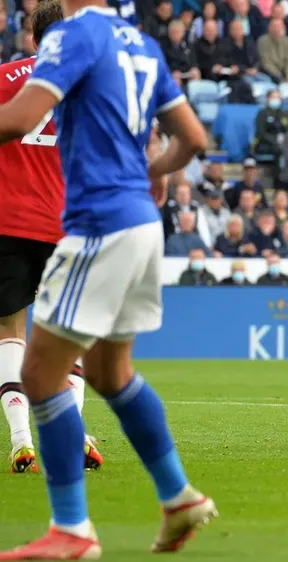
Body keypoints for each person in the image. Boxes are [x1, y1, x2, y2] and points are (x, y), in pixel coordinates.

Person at [0, 0, 216, 557]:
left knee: (39, 373)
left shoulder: (71, 35)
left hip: (96, 224)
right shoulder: (140, 43)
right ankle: (178, 496)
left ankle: (71, 530)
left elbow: (21, 119)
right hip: (140, 223)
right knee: (109, 373)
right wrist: (151, 172)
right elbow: (192, 140)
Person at [0, 2, 103, 475]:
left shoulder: (5, 78)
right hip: (69, 225)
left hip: (8, 222)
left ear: (32, 36)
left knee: (8, 333)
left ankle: (22, 439)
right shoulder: (89, 82)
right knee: (70, 335)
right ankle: (74, 435)